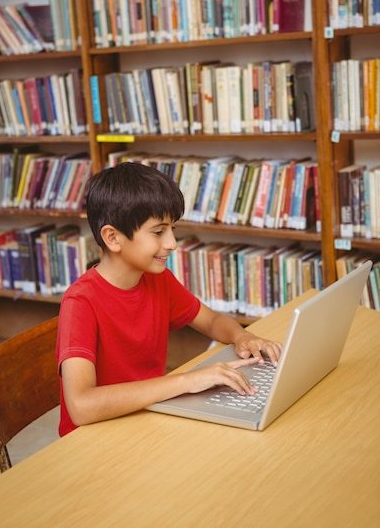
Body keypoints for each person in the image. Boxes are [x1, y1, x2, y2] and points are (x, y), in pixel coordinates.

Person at [56, 162, 282, 436]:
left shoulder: (157, 280)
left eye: (173, 229)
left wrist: (241, 336)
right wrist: (187, 381)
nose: (172, 243)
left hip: (146, 417)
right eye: (158, 231)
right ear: (113, 237)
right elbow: (82, 406)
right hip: (95, 438)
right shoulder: (81, 302)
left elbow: (211, 321)